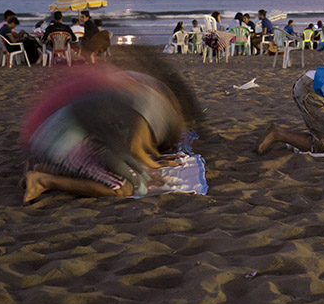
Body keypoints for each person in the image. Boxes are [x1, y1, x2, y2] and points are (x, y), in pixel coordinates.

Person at [20, 63, 196, 204]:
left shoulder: (136, 101)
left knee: (125, 172)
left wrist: (152, 165)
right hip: (63, 141)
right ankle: (43, 180)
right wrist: (148, 174)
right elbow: (125, 151)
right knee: (123, 188)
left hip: (58, 134)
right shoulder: (138, 110)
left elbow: (131, 147)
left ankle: (44, 168)